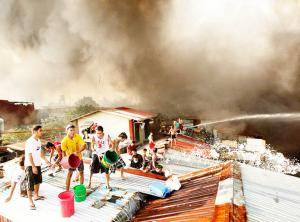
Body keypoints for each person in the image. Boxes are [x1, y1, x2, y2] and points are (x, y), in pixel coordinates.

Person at [24, 125, 51, 210]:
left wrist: (46, 160)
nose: (41, 132)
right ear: (35, 131)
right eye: (40, 130)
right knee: (30, 183)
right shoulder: (29, 141)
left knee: (38, 181)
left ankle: (36, 196)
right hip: (30, 165)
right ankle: (30, 201)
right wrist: (33, 166)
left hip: (38, 164)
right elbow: (29, 155)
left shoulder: (38, 141)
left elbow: (40, 153)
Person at [61, 124, 86, 191]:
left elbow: (84, 145)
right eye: (71, 130)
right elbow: (63, 151)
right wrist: (64, 161)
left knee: (81, 172)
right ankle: (67, 190)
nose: (73, 132)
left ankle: (81, 188)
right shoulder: (64, 141)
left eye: (73, 130)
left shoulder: (77, 136)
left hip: (79, 158)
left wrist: (78, 151)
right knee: (70, 174)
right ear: (67, 131)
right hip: (70, 160)